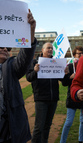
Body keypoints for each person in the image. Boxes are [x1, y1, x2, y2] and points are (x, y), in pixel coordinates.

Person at [0, 9, 37, 143]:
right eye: (1, 46)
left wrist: (30, 32)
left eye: (8, 48)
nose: (5, 49)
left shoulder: (10, 66)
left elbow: (24, 59)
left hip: (10, 132)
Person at [26, 42, 62, 143]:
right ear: (42, 50)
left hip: (53, 98)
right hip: (41, 98)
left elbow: (63, 80)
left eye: (51, 48)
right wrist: (35, 71)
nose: (50, 50)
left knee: (47, 125)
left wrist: (65, 73)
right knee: (39, 126)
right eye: (48, 48)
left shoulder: (56, 63)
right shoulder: (34, 62)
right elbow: (29, 78)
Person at [60, 46, 83, 143]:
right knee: (69, 122)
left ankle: (81, 140)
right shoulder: (70, 66)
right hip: (72, 97)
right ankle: (62, 141)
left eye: (82, 53)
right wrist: (69, 76)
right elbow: (64, 83)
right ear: (74, 54)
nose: (81, 55)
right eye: (79, 53)